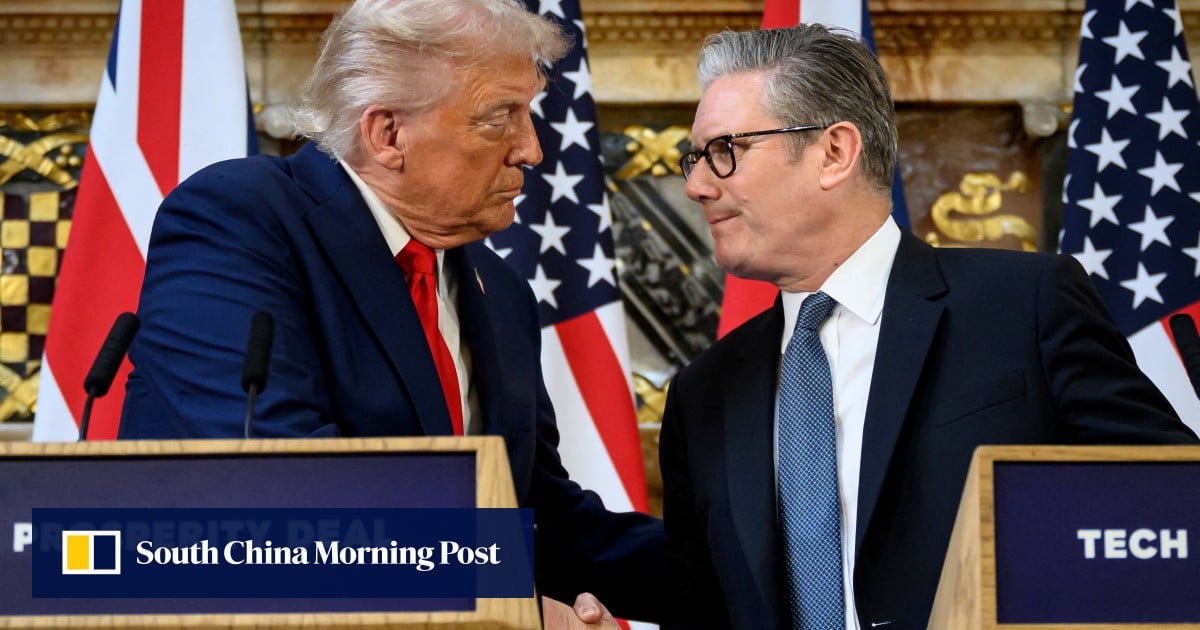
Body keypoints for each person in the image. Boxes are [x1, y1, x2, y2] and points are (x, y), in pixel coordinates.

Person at [116, 0, 663, 624]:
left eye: (528, 115)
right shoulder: (239, 219)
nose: (531, 150)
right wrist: (514, 607)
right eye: (499, 118)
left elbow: (536, 516)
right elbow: (271, 471)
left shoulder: (500, 290)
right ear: (388, 135)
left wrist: (745, 571)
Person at [659, 23, 1198, 630]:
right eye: (694, 158)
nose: (696, 186)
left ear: (834, 153)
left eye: (725, 150)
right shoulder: (703, 394)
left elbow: (1169, 514)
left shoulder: (1024, 307)